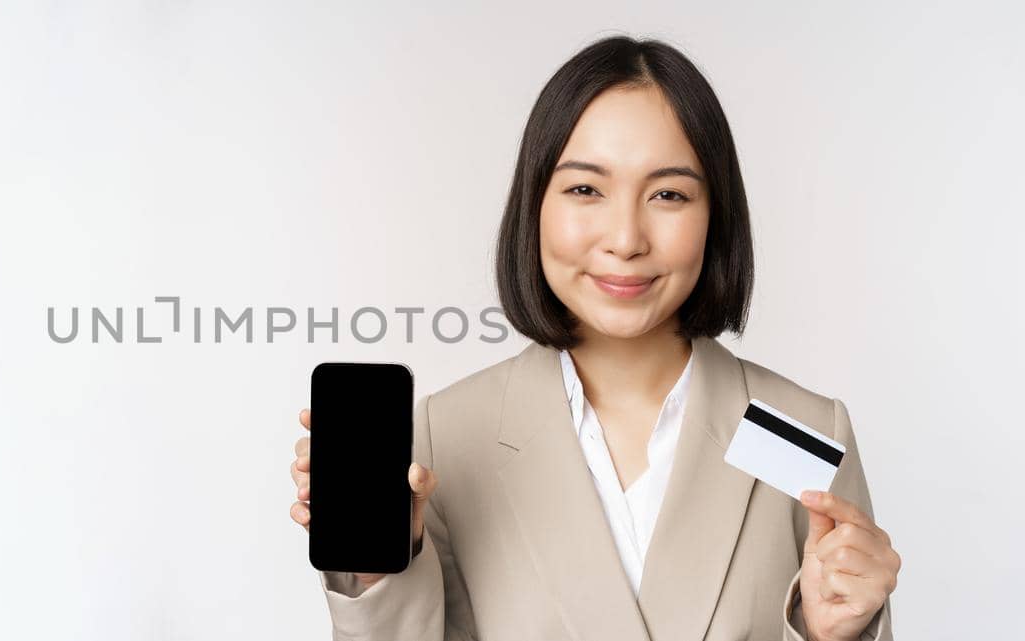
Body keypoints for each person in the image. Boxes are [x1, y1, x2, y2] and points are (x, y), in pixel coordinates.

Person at [287, 36, 900, 641]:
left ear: (717, 216)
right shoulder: (444, 438)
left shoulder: (806, 434)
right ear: (535, 206)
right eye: (585, 189)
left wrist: (832, 634)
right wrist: (375, 577)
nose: (626, 237)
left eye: (669, 194)